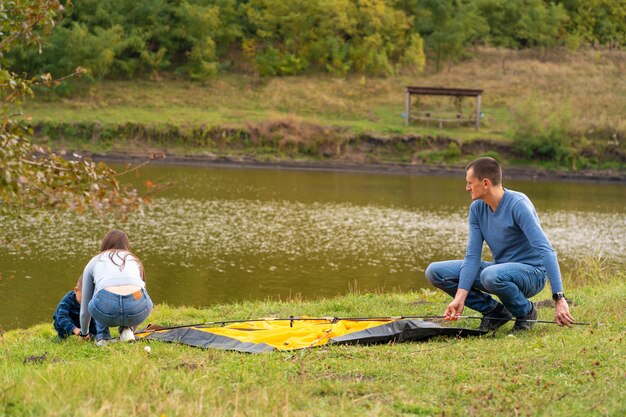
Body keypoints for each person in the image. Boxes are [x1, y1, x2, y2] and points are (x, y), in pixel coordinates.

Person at [425, 157, 574, 332]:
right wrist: (460, 297)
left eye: (470, 183)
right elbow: (472, 257)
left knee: (491, 275)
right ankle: (495, 311)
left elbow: (546, 250)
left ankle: (526, 312)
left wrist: (559, 297)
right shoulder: (477, 209)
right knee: (435, 272)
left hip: (532, 274)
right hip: (500, 271)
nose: (467, 188)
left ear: (486, 183)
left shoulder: (518, 205)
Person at [79, 229, 153, 345]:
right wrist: (134, 327)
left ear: (105, 244)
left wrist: (84, 333)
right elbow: (142, 295)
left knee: (97, 294)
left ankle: (103, 337)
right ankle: (128, 330)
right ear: (126, 245)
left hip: (106, 310)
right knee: (137, 295)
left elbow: (85, 308)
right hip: (138, 310)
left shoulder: (95, 260)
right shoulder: (135, 260)